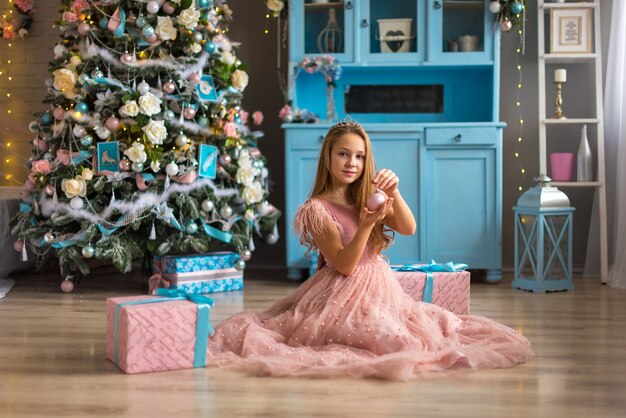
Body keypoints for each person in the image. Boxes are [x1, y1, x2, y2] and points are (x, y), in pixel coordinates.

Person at [205, 119, 533, 380]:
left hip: (380, 285)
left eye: (359, 156)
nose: (352, 162)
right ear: (328, 157)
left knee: (424, 330)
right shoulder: (317, 209)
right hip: (340, 291)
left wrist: (394, 192)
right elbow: (345, 265)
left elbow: (408, 227)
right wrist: (364, 225)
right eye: (344, 154)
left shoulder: (367, 197)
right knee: (384, 339)